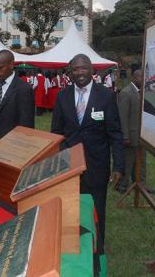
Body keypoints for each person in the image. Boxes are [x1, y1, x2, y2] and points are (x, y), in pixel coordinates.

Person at [51, 54, 124, 257]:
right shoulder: (62, 96)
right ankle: (73, 248)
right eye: (75, 69)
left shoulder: (106, 96)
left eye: (83, 68)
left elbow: (115, 134)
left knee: (96, 209)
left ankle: (96, 251)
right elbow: (56, 132)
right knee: (70, 208)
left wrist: (118, 166)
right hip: (68, 165)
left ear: (92, 70)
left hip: (96, 165)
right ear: (70, 72)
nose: (80, 73)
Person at [117, 69, 155, 194]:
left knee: (141, 160)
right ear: (135, 78)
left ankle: (141, 183)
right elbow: (123, 117)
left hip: (141, 135)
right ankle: (123, 184)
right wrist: (125, 136)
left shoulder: (141, 92)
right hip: (131, 135)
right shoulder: (126, 93)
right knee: (128, 161)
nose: (144, 81)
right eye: (141, 78)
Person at [0, 50, 34, 145]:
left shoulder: (23, 88)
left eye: (0, 67)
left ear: (11, 65)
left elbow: (26, 123)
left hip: (12, 144)